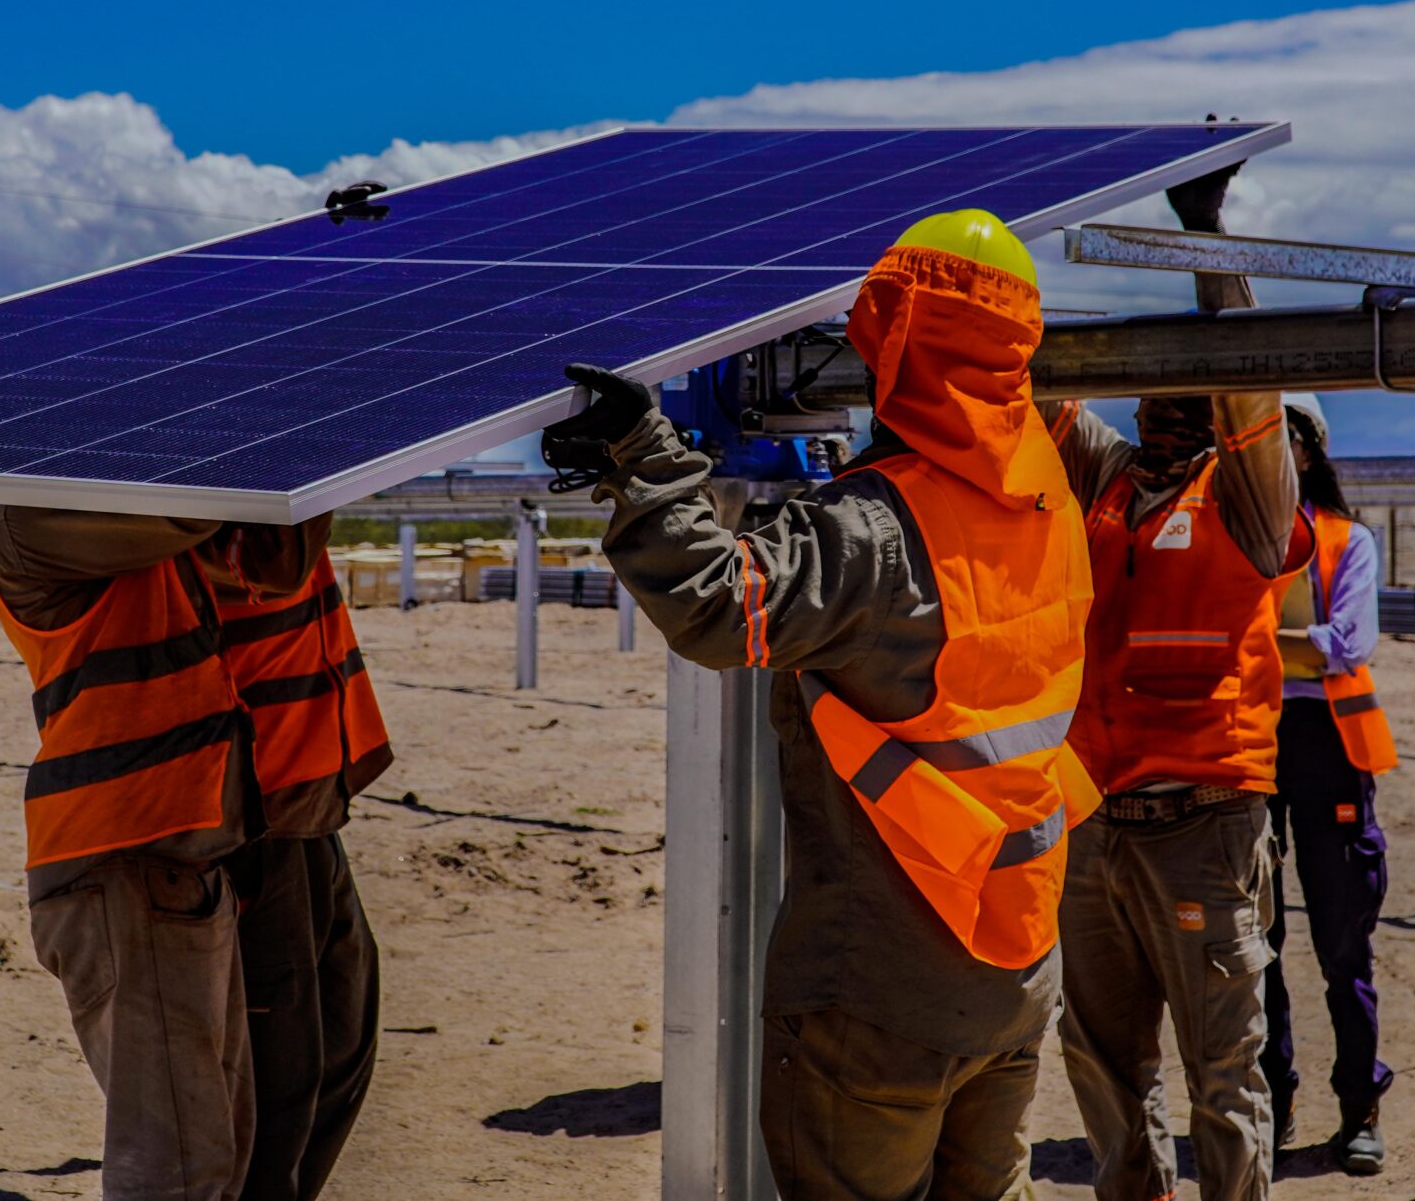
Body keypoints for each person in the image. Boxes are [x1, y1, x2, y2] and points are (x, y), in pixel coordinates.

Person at [543, 208, 1096, 1201]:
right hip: (1014, 967)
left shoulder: (874, 531)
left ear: (886, 335)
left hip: (880, 989)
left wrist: (644, 452)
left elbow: (719, 607)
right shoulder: (1049, 494)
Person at [0, 504, 392, 1201]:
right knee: (182, 1160)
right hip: (136, 850)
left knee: (309, 1087)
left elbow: (275, 562)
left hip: (270, 820)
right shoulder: (30, 511)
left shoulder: (215, 493)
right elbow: (199, 508)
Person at [1042, 161, 1308, 1201]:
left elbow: (1249, 375)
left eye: (1180, 393)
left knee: (1222, 1072)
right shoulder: (1111, 486)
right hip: (1094, 823)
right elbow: (1039, 402)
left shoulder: (1244, 500)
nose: (1160, 412)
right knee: (1101, 1065)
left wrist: (1203, 236)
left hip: (1203, 825)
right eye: (1147, 390)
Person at [1257, 392, 1396, 1175]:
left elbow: (1346, 646)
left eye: (1282, 438)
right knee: (1257, 941)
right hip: (1248, 743)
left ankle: (1359, 1106)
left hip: (1329, 745)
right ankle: (1271, 1102)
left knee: (1343, 942)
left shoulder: (1349, 540)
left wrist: (1251, 641)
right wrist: (1288, 646)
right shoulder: (1233, 536)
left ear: (1309, 448)